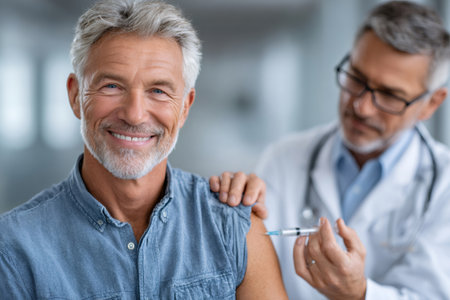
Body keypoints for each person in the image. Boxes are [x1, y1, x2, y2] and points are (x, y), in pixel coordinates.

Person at [0, 0, 288, 298]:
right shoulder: (13, 248)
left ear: (185, 108)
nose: (134, 115)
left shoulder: (233, 228)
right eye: (112, 86)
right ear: (75, 95)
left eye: (158, 91)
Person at [211, 1, 450, 299]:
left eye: (389, 95)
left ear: (432, 103)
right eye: (356, 78)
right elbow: (245, 263)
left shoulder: (443, 189)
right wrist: (231, 207)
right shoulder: (285, 159)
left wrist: (359, 294)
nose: (360, 106)